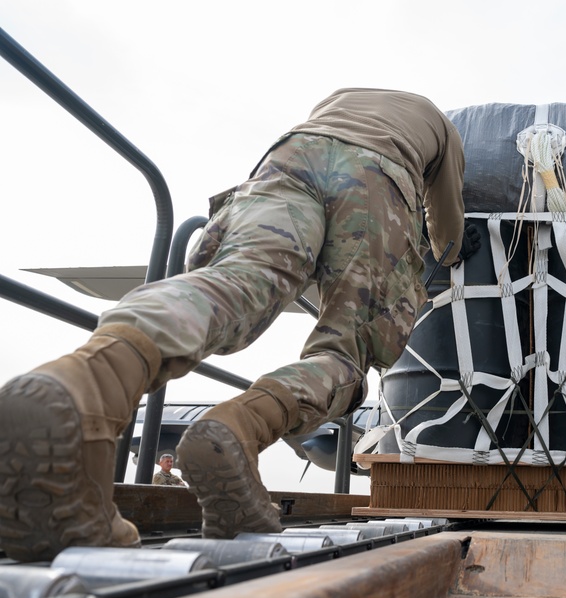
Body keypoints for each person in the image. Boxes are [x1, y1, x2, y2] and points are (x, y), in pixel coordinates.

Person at [0, 88, 473, 561]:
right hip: (378, 177)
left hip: (287, 159)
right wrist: (449, 248)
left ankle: (83, 381)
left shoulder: (339, 99)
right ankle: (239, 426)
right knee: (343, 358)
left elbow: (329, 148)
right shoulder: (441, 128)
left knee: (237, 283)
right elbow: (447, 228)